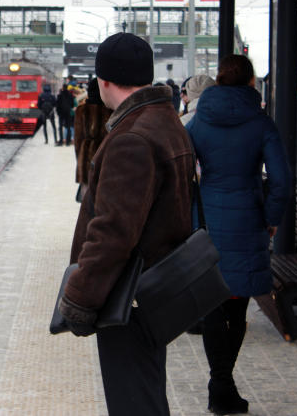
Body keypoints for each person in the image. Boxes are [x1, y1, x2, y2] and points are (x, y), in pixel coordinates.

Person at [58, 33, 195, 416]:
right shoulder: (164, 121)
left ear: (103, 82)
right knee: (146, 396)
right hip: (155, 289)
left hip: (128, 297)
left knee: (133, 403)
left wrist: (79, 299)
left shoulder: (131, 138)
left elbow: (113, 234)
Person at [186, 54, 292, 415]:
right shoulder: (261, 123)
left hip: (209, 221)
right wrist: (271, 217)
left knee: (215, 304)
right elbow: (281, 180)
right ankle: (222, 386)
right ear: (251, 83)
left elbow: (181, 163)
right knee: (238, 303)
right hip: (248, 219)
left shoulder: (200, 120)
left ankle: (221, 385)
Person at [73, 77, 111, 186]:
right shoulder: (110, 110)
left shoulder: (81, 110)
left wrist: (79, 158)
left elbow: (77, 139)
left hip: (85, 158)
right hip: (105, 158)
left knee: (87, 197)